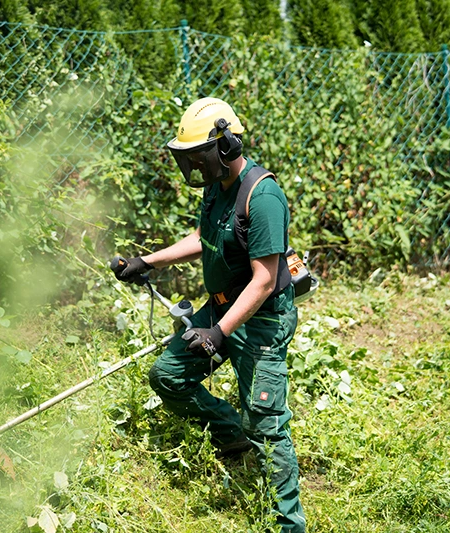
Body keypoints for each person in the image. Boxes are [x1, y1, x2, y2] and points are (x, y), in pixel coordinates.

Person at [112, 97, 305, 532]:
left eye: (199, 157)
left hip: (260, 322)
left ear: (226, 147)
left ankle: (288, 524)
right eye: (190, 160)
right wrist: (151, 261)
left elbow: (262, 279)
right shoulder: (219, 188)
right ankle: (229, 432)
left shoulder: (263, 196)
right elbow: (206, 235)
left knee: (269, 426)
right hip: (221, 308)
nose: (195, 168)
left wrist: (219, 333)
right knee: (169, 376)